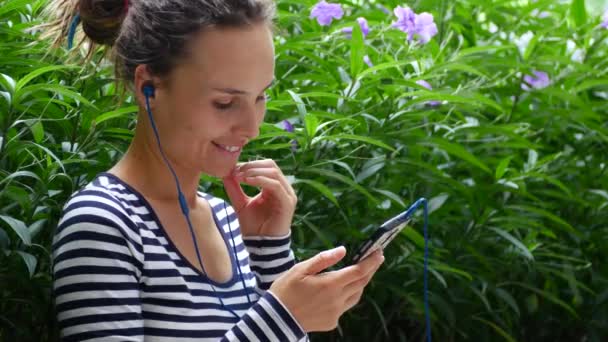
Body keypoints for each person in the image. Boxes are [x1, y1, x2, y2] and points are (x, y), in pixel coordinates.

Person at [41, 0, 385, 341]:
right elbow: (269, 330)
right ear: (149, 88)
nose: (251, 128)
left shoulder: (225, 220)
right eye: (225, 102)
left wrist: (268, 247)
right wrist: (284, 318)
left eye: (261, 97)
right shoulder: (103, 222)